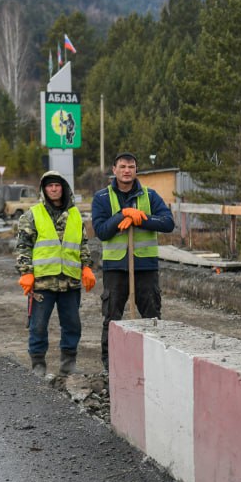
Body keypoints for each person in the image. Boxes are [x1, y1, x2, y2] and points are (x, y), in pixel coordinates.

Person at [91, 152, 175, 370]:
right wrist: (122, 214)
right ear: (114, 170)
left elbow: (167, 223)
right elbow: (101, 231)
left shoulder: (150, 196)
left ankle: (156, 365)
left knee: (152, 318)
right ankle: (112, 367)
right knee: (112, 319)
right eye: (122, 166)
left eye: (131, 166)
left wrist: (142, 218)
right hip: (116, 268)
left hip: (145, 267)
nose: (127, 170)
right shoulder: (102, 198)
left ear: (136, 170)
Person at [16, 170, 96, 377]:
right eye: (49, 185)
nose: (53, 189)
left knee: (72, 324)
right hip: (42, 283)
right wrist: (26, 272)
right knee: (38, 326)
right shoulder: (32, 215)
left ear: (63, 188)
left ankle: (68, 364)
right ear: (43, 189)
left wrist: (86, 266)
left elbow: (82, 244)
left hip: (70, 281)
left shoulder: (75, 214)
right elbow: (23, 246)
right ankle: (38, 365)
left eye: (57, 185)